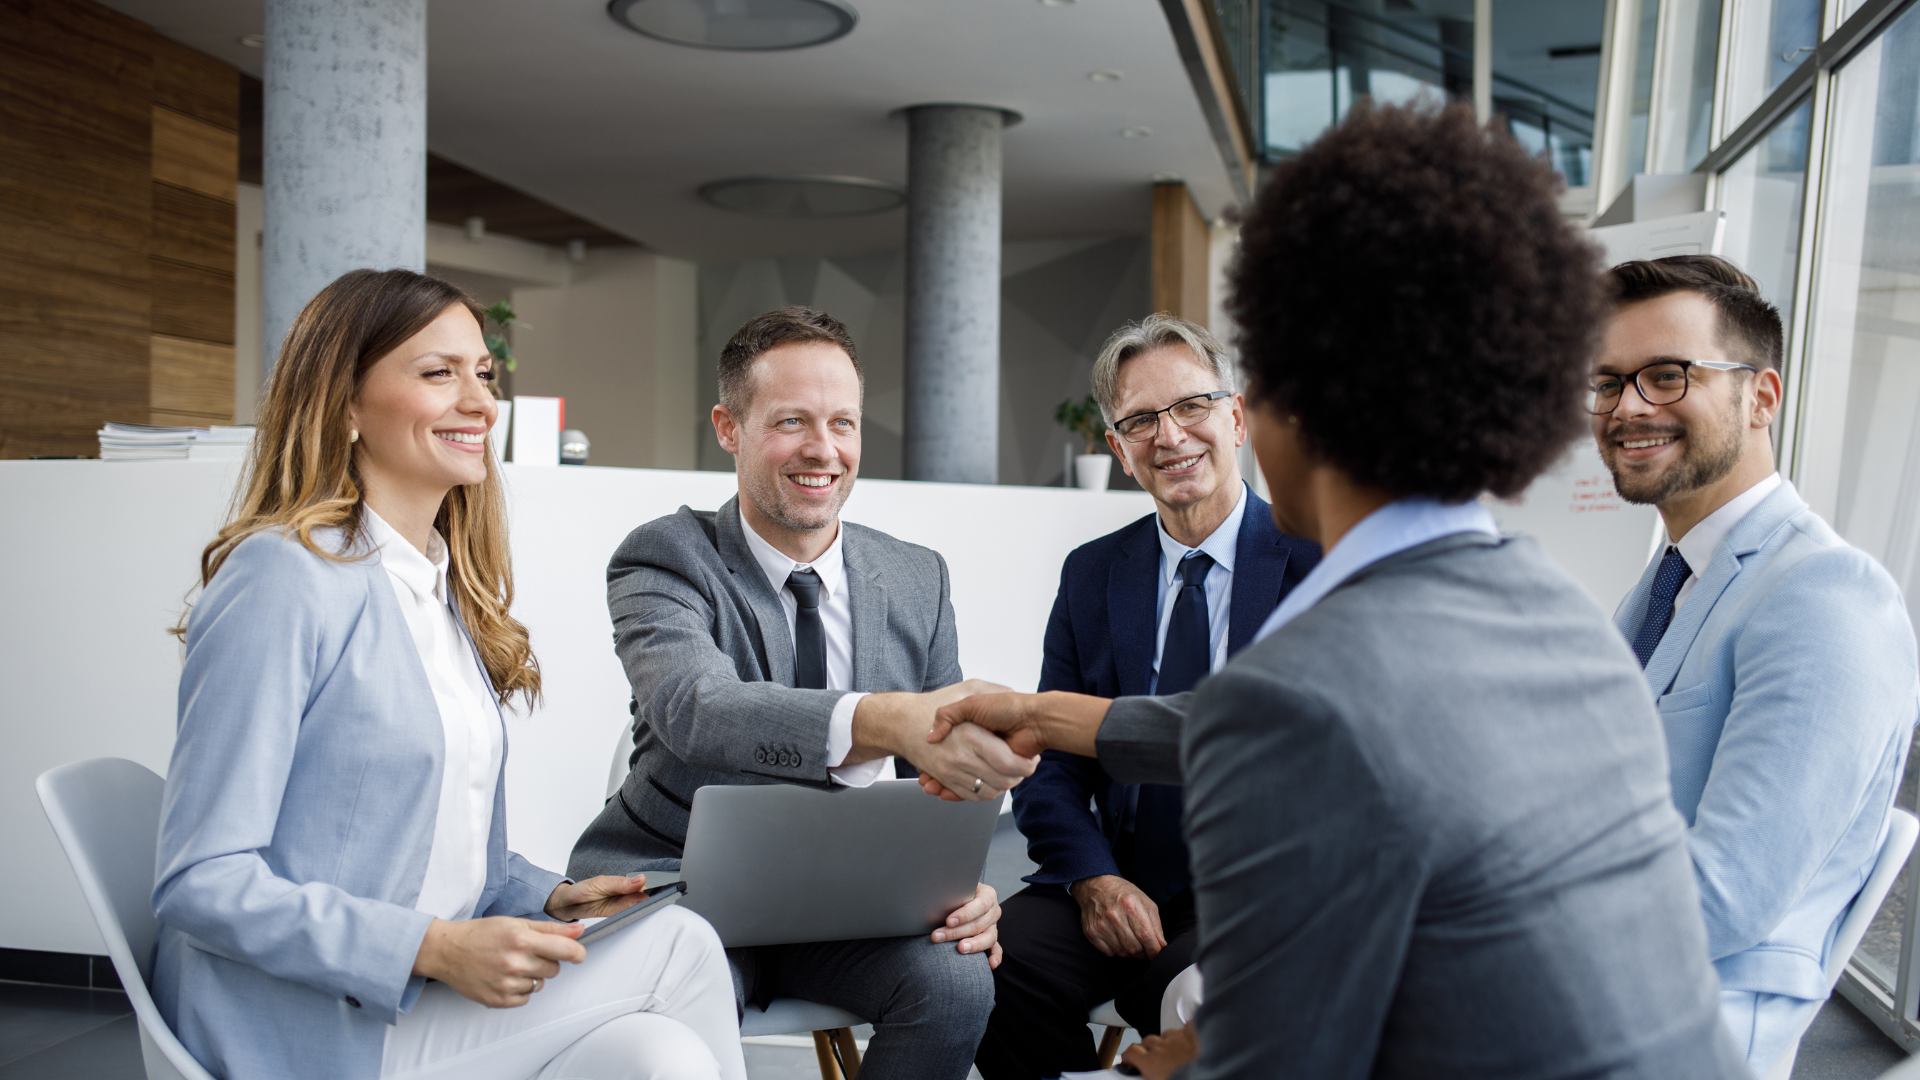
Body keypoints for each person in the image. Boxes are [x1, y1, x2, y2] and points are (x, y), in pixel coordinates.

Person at [925, 103, 1749, 1079]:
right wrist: (1030, 713)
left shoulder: (1306, 692)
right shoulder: (1567, 620)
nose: (1180, 433)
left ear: (1266, 415)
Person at [152, 269, 746, 1080]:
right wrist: (431, 946)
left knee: (663, 1056)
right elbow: (201, 880)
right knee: (680, 947)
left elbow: (430, 852)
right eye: (439, 373)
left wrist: (544, 897)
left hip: (415, 1000)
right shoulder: (282, 579)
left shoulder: (436, 587)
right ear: (345, 403)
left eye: (483, 374)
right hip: (309, 1024)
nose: (479, 402)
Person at [566, 306, 1026, 1080]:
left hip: (849, 904)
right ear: (728, 427)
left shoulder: (919, 577)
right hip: (681, 889)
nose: (823, 450)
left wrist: (964, 886)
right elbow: (697, 708)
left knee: (955, 981)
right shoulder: (664, 558)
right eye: (791, 422)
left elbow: (940, 774)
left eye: (843, 423)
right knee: (672, 1026)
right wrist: (882, 718)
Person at [1593, 255, 1919, 1073]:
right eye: (1608, 382)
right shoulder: (1670, 578)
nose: (1628, 407)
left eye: (1667, 376)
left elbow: (1720, 901)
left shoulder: (1826, 596)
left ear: (1761, 397)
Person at [975, 314, 1318, 1080]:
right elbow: (1051, 763)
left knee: (1211, 1003)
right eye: (1140, 421)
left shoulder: (1317, 562)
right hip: (1116, 878)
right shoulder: (1093, 574)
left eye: (1192, 406)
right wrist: (1094, 877)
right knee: (981, 968)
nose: (1170, 436)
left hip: (1252, 896)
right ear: (1120, 452)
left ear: (1236, 416)